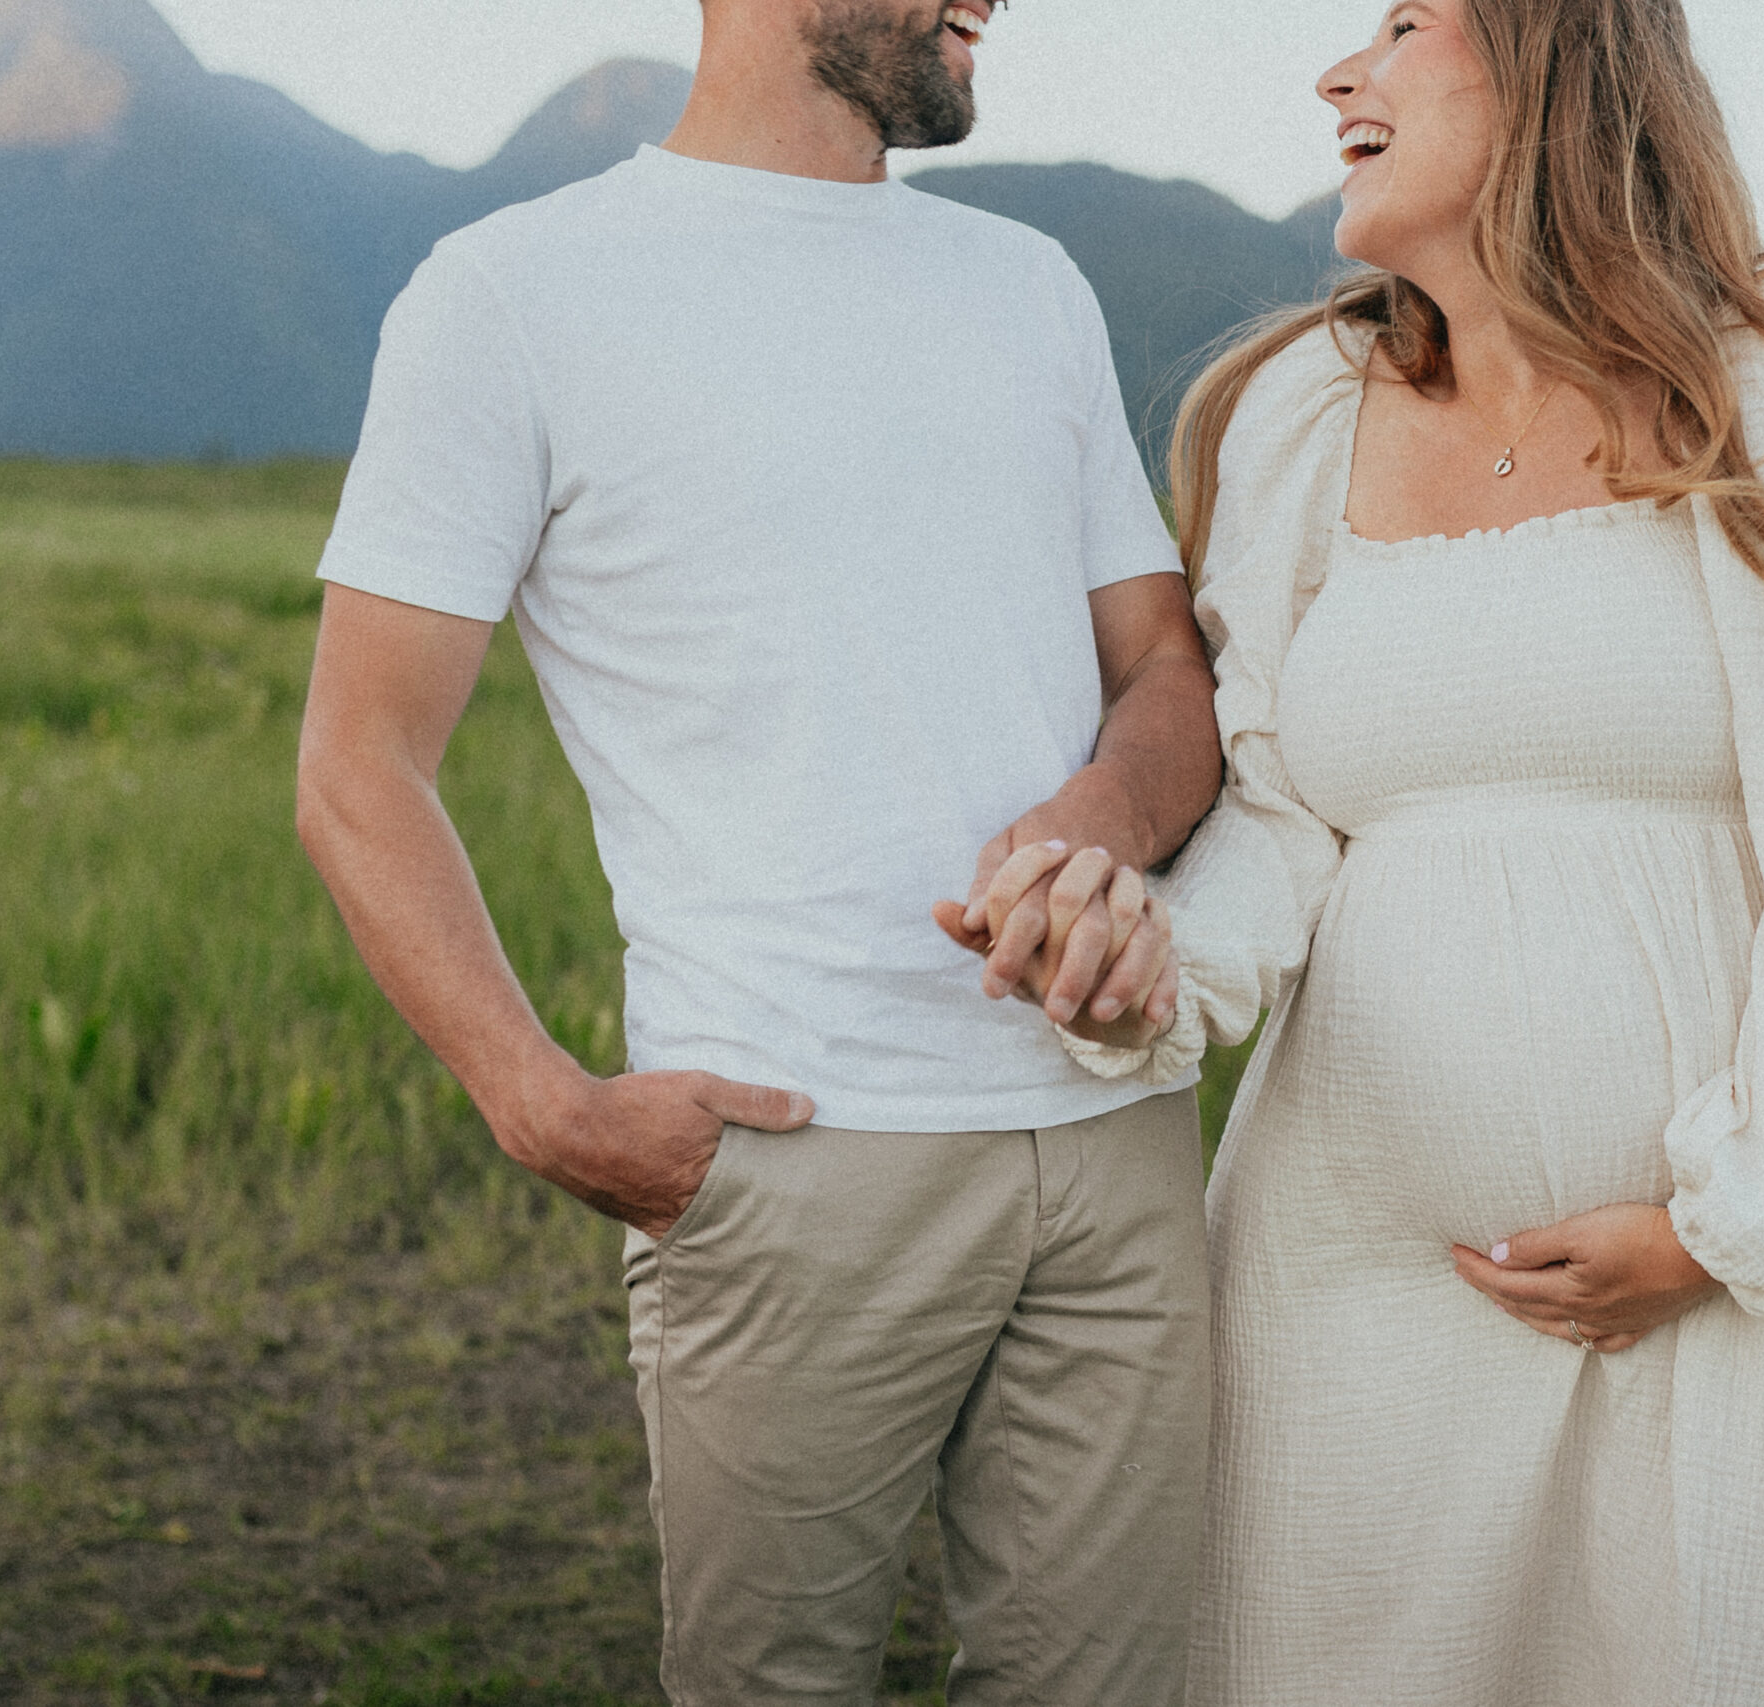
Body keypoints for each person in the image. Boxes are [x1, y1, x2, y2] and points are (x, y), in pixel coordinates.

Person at [1029, 0, 1764, 1700]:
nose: (1338, 74)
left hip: (1714, 1290)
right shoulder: (1300, 412)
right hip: (1345, 1289)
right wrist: (1156, 960)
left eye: (1405, 22)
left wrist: (1722, 1231)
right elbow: (1281, 823)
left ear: (1558, 56)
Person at [293, 1, 1224, 1701]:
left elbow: (1163, 670)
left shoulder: (1030, 284)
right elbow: (358, 761)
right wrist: (545, 1104)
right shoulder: (513, 294)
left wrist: (1096, 826)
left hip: (1119, 1134)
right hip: (793, 1162)